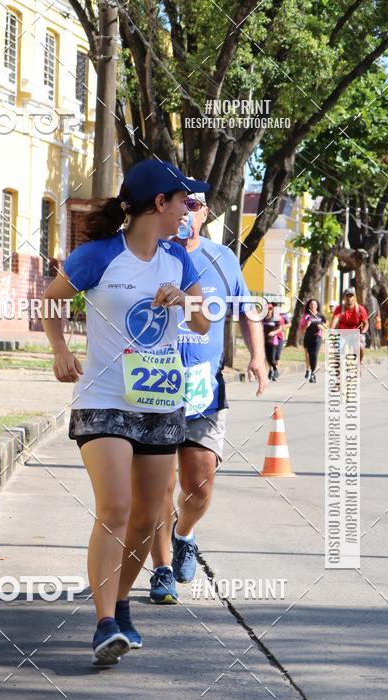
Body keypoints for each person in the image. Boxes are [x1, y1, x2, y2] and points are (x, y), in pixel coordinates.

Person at [41, 159, 210, 666]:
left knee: (143, 519)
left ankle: (120, 601)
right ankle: (104, 625)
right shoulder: (98, 256)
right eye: (184, 200)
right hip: (103, 399)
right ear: (159, 203)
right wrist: (59, 351)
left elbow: (203, 324)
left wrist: (184, 302)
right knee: (114, 508)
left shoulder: (180, 261)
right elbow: (51, 302)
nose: (190, 209)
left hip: (159, 403)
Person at [148, 196, 267, 603]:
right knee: (160, 488)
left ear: (205, 214)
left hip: (203, 390)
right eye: (180, 204)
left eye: (194, 205)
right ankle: (162, 571)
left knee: (199, 486)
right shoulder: (153, 253)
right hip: (155, 385)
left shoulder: (223, 259)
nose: (187, 212)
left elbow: (249, 310)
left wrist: (259, 357)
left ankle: (184, 534)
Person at [331, 288, 369, 363]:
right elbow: (335, 320)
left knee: (360, 347)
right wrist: (331, 331)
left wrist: (363, 332)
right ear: (344, 298)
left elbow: (366, 324)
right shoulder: (339, 309)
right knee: (337, 352)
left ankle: (359, 363)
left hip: (355, 334)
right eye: (347, 296)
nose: (349, 298)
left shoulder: (360, 309)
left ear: (354, 297)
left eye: (351, 296)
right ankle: (339, 372)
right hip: (342, 334)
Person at [299, 298, 326, 382]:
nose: (313, 306)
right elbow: (301, 329)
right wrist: (307, 325)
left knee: (314, 355)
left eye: (314, 304)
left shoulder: (321, 316)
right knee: (308, 355)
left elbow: (326, 326)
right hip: (308, 337)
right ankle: (308, 370)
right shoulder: (306, 316)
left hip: (317, 337)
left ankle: (313, 374)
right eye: (311, 304)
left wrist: (322, 327)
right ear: (309, 306)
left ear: (317, 306)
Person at [263, 304, 285, 380]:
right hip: (264, 340)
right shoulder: (263, 319)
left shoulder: (275, 319)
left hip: (273, 341)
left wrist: (274, 332)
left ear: (272, 310)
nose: (268, 310)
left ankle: (274, 368)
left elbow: (280, 328)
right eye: (267, 309)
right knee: (266, 357)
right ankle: (271, 371)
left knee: (272, 358)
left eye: (270, 309)